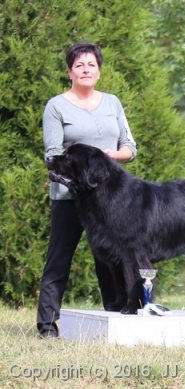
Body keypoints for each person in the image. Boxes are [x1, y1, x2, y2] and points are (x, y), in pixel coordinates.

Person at [37, 42, 137, 338]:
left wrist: (112, 155)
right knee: (59, 259)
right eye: (79, 65)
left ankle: (114, 314)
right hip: (70, 199)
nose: (85, 69)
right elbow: (53, 156)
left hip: (110, 201)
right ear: (69, 71)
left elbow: (130, 148)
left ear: (99, 71)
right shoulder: (56, 106)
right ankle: (46, 325)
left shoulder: (113, 103)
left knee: (109, 259)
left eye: (91, 64)